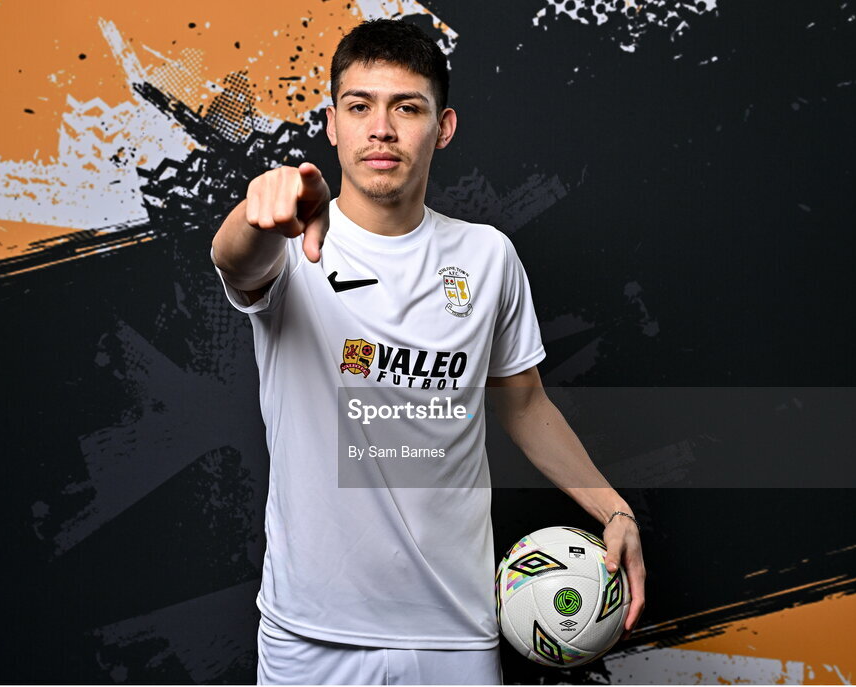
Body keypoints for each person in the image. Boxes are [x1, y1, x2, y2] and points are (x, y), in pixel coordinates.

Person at [210, 18, 645, 685]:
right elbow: (235, 261)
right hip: (311, 634)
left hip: (454, 634)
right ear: (332, 124)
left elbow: (525, 405)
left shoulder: (488, 257)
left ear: (442, 128)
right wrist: (257, 212)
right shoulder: (292, 246)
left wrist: (614, 508)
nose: (381, 129)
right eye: (360, 107)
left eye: (406, 108)